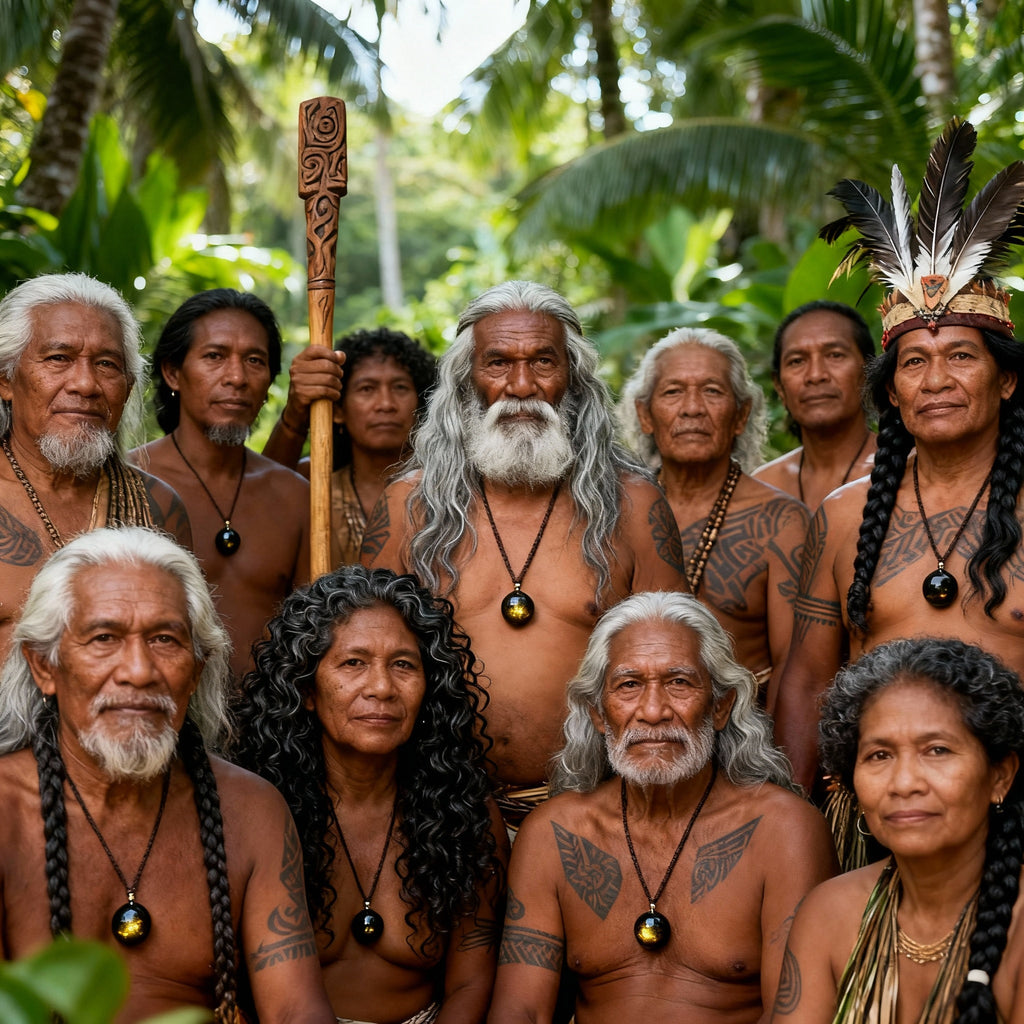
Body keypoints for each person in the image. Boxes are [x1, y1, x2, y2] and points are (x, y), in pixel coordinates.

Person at [362, 280, 688, 828]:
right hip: (438, 810)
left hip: (603, 810)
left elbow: (679, 661)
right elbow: (360, 659)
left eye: (543, 362)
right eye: (497, 364)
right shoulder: (408, 506)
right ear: (466, 380)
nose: (521, 385)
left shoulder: (633, 504)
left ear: (574, 379)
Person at [772, 118, 1024, 792]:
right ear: (891, 391)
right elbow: (806, 680)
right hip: (882, 808)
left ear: (1005, 380)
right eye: (914, 362)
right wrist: (798, 820)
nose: (935, 380)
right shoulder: (844, 517)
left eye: (960, 357)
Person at [0, 527, 334, 1024]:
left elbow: (295, 1011)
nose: (138, 670)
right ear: (44, 665)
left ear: (196, 671)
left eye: (164, 640)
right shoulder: (6, 813)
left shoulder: (249, 811)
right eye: (104, 638)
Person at [488, 592, 836, 1024]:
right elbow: (521, 1010)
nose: (653, 711)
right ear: (598, 713)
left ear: (721, 706)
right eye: (629, 685)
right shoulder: (554, 834)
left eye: (679, 683)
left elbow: (793, 1015)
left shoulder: (783, 830)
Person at [233, 566, 508, 1024]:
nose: (381, 688)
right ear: (306, 690)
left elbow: (470, 982)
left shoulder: (463, 811)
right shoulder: (257, 810)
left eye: (403, 665)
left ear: (429, 688)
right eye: (353, 663)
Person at [774, 638, 1024, 1023]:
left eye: (937, 750)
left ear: (1000, 776)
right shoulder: (829, 914)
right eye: (879, 755)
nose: (904, 782)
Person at [0, 272, 191, 661]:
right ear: (5, 378)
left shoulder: (159, 508)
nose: (85, 384)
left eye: (107, 364)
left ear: (127, 386)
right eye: (59, 358)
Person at [131, 289, 310, 681]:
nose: (237, 377)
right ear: (173, 372)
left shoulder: (295, 496)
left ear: (269, 384)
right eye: (214, 356)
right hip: (160, 720)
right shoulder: (126, 483)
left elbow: (311, 632)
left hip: (269, 729)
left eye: (255, 361)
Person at [619, 327, 809, 693]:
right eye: (673, 391)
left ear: (741, 414)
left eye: (712, 391)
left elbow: (797, 670)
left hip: (748, 736)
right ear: (645, 414)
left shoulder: (782, 522)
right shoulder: (612, 511)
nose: (692, 408)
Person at [263, 328, 437, 564]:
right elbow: (264, 500)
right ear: (338, 411)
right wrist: (296, 411)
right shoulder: (311, 482)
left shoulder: (446, 487)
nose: (385, 404)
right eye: (367, 389)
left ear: (420, 405)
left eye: (400, 388)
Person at [753, 301, 877, 511]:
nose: (816, 375)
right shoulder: (761, 488)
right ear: (779, 387)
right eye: (797, 361)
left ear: (868, 373)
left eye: (835, 355)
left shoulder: (909, 472)